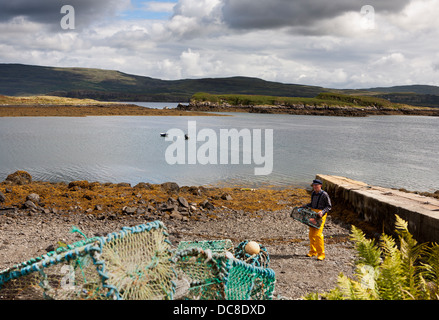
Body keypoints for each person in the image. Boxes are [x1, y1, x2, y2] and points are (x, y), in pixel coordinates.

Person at [302, 179, 332, 261]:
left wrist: (322, 212)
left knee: (318, 234)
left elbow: (329, 206)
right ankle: (313, 251)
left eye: (316, 185)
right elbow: (312, 204)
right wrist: (305, 206)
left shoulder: (324, 194)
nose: (314, 187)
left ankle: (321, 254)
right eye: (313, 185)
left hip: (321, 215)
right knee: (311, 234)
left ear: (320, 186)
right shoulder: (313, 193)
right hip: (313, 213)